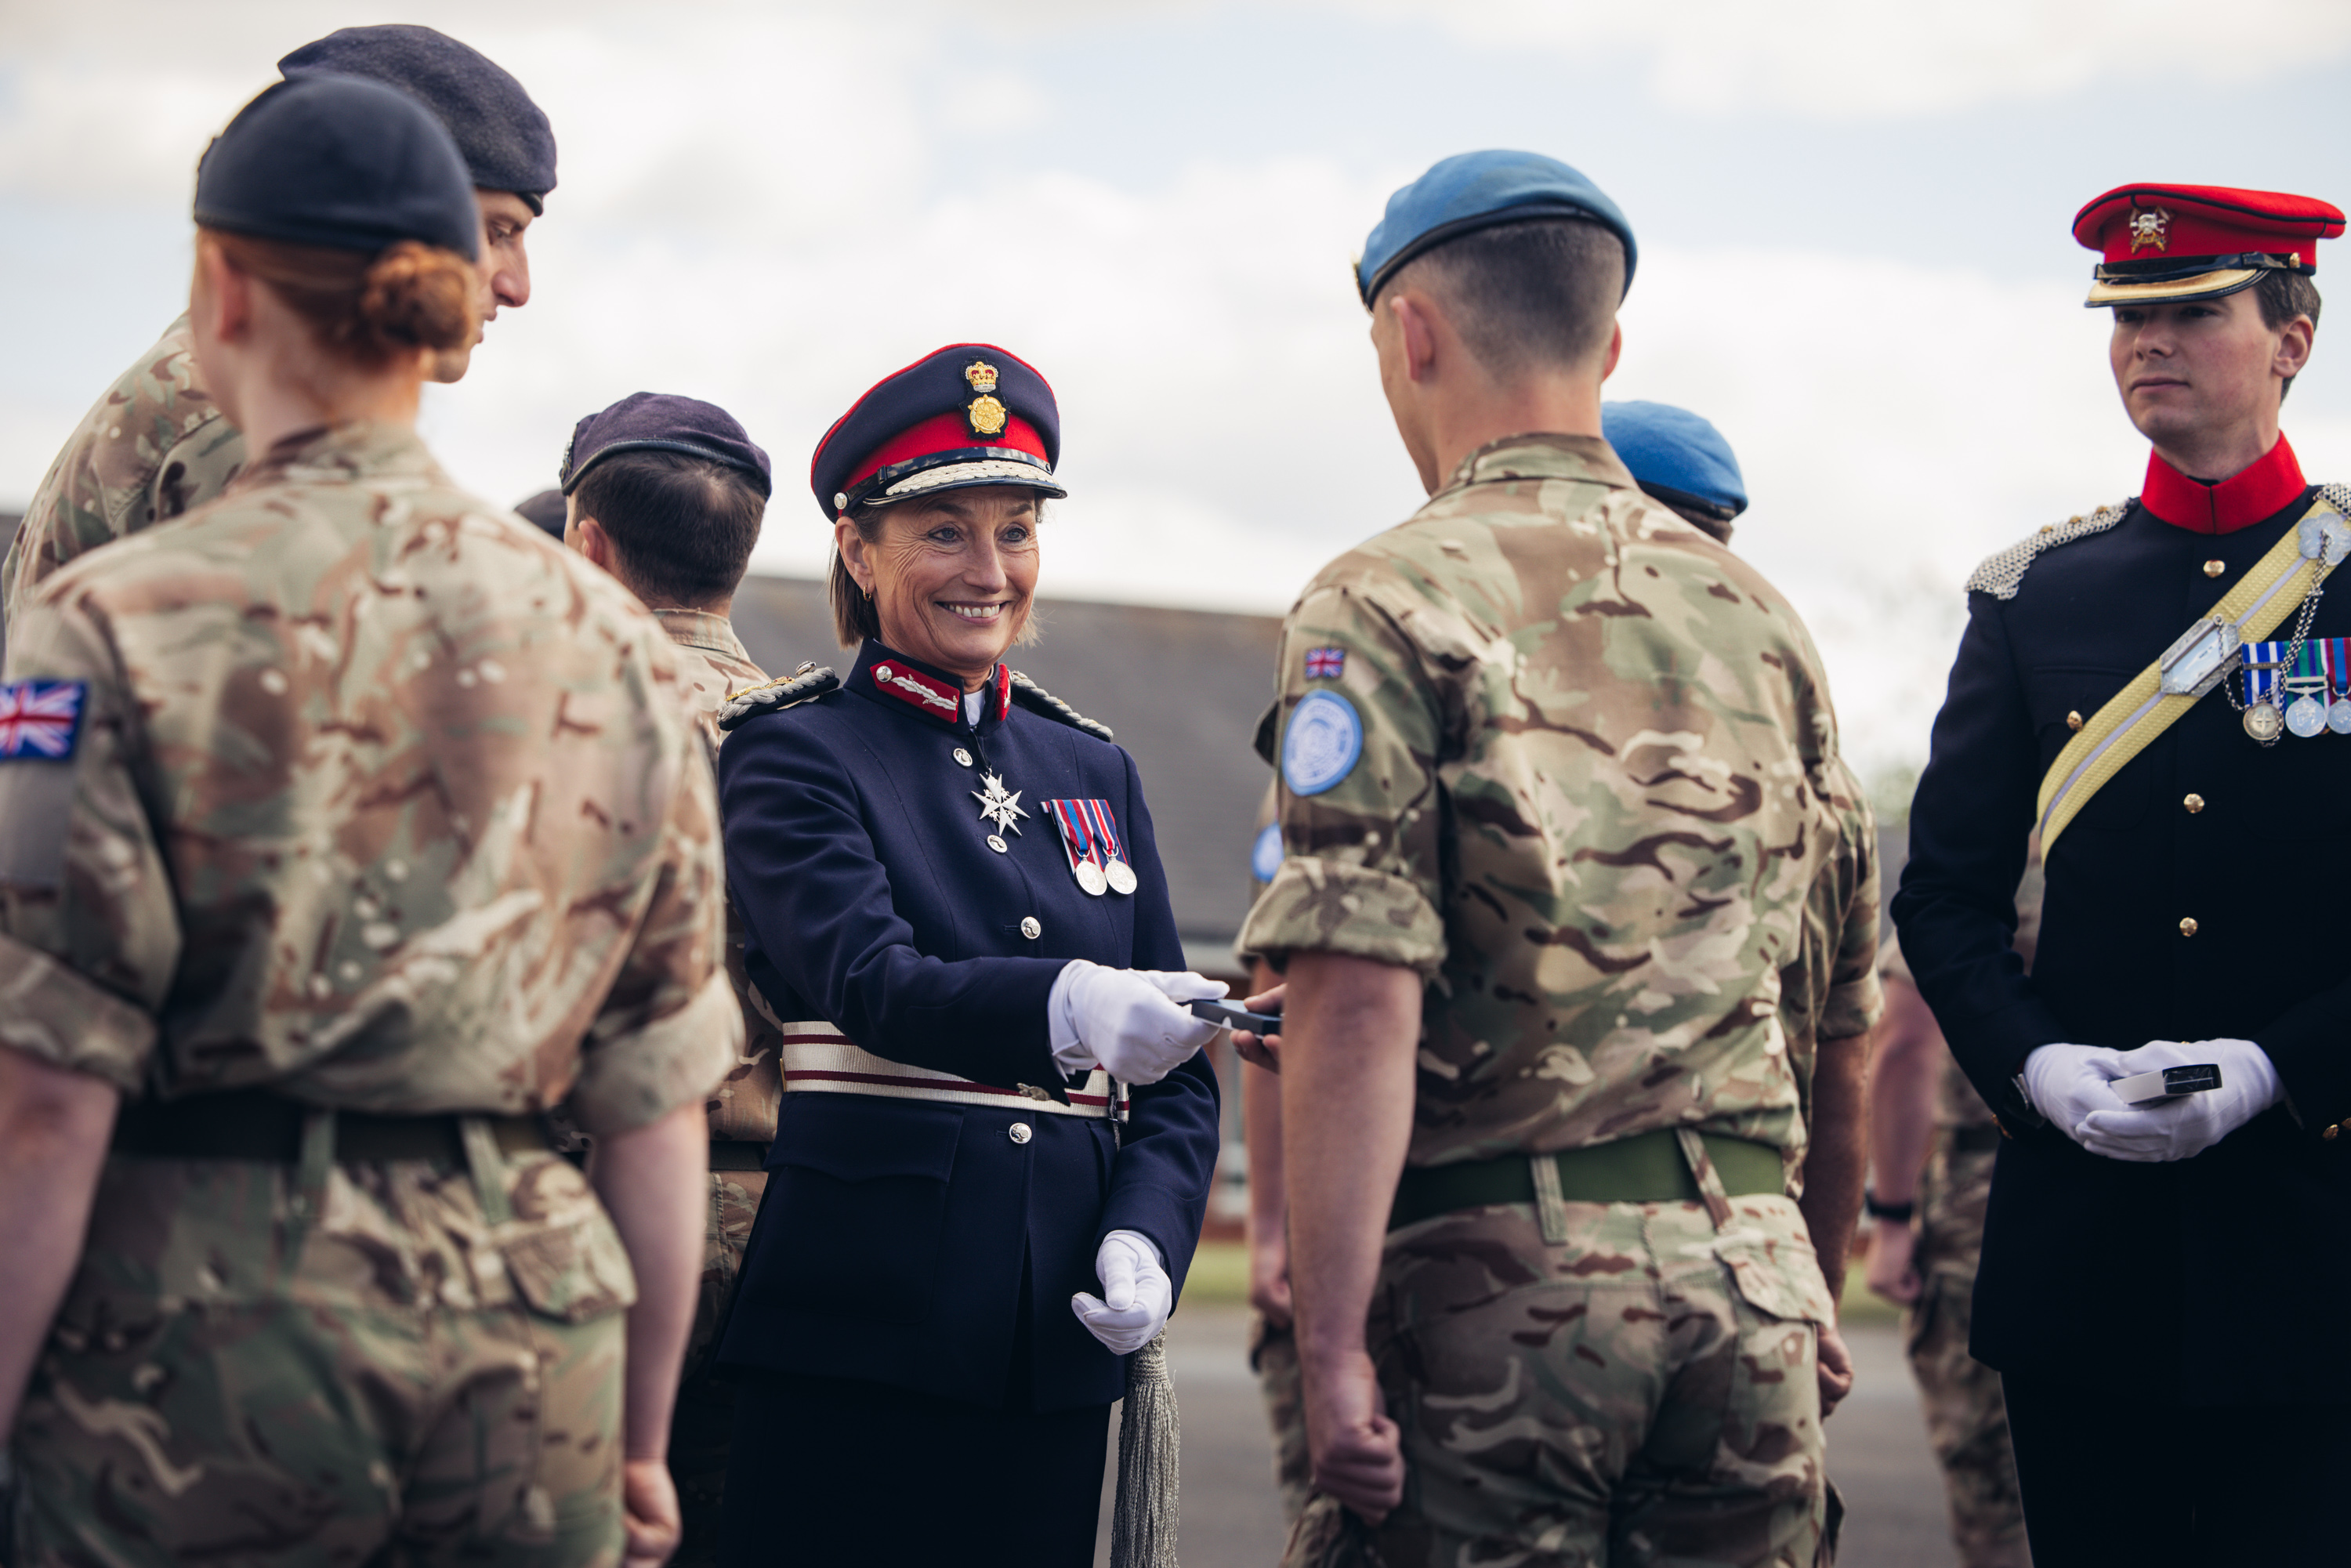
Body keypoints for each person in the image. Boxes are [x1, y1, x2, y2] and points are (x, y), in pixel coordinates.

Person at [0, 76, 732, 1567]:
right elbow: (657, 1102)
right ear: (449, 306)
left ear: (222, 283)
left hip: (200, 1348)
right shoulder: (609, 642)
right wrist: (641, 1441)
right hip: (530, 1373)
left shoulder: (107, 629)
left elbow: (44, 1097)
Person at [1237, 151, 1865, 1566]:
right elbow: (1838, 1011)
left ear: (1412, 333)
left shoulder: (1384, 595)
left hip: (1499, 1299)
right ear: (1611, 342)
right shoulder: (1759, 617)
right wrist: (1802, 1267)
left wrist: (1327, 1344)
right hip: (1751, 1295)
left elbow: (1353, 988)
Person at [1893, 182, 2351, 1564]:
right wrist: (2032, 1069)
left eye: (2191, 311)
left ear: (2293, 334)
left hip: (2318, 1239)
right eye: (2128, 316)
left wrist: (2280, 1070)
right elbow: (1945, 895)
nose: (2148, 340)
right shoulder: (2037, 597)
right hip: (2090, 1254)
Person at [708, 345, 1225, 1566]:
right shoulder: (797, 755)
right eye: (944, 532)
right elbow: (869, 981)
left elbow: (1183, 1068)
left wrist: (1146, 1228)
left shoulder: (1092, 768)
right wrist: (1075, 1000)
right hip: (860, 1327)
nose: (989, 571)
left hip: (1054, 1342)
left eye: (1016, 530)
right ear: (858, 547)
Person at [1, 23, 556, 618]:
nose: (517, 287)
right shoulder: (241, 418)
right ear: (397, 211)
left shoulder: (234, 381)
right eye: (496, 233)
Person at [556, 392, 777, 1566]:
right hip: (792, 1216)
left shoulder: (561, 718)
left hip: (595, 1202)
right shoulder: (823, 736)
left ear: (587, 544)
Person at [1864, 865, 2040, 1568]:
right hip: (2157, 1179)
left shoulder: (1993, 857)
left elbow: (1905, 1042)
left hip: (1988, 1190)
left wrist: (1894, 1218)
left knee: (1995, 1479)